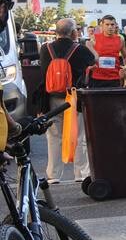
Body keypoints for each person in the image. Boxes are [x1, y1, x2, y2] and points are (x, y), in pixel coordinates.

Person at [34, 17, 93, 184]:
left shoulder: (45, 49)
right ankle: (81, 173)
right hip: (74, 99)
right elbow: (93, 60)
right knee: (79, 136)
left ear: (56, 32)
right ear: (73, 32)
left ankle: (53, 175)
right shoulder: (80, 49)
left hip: (51, 99)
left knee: (53, 136)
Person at [86, 14, 126, 89]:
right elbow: (87, 45)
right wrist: (94, 55)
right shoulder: (95, 37)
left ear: (115, 25)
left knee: (114, 100)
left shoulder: (120, 39)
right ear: (102, 26)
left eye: (112, 24)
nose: (110, 27)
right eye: (107, 24)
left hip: (114, 78)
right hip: (97, 78)